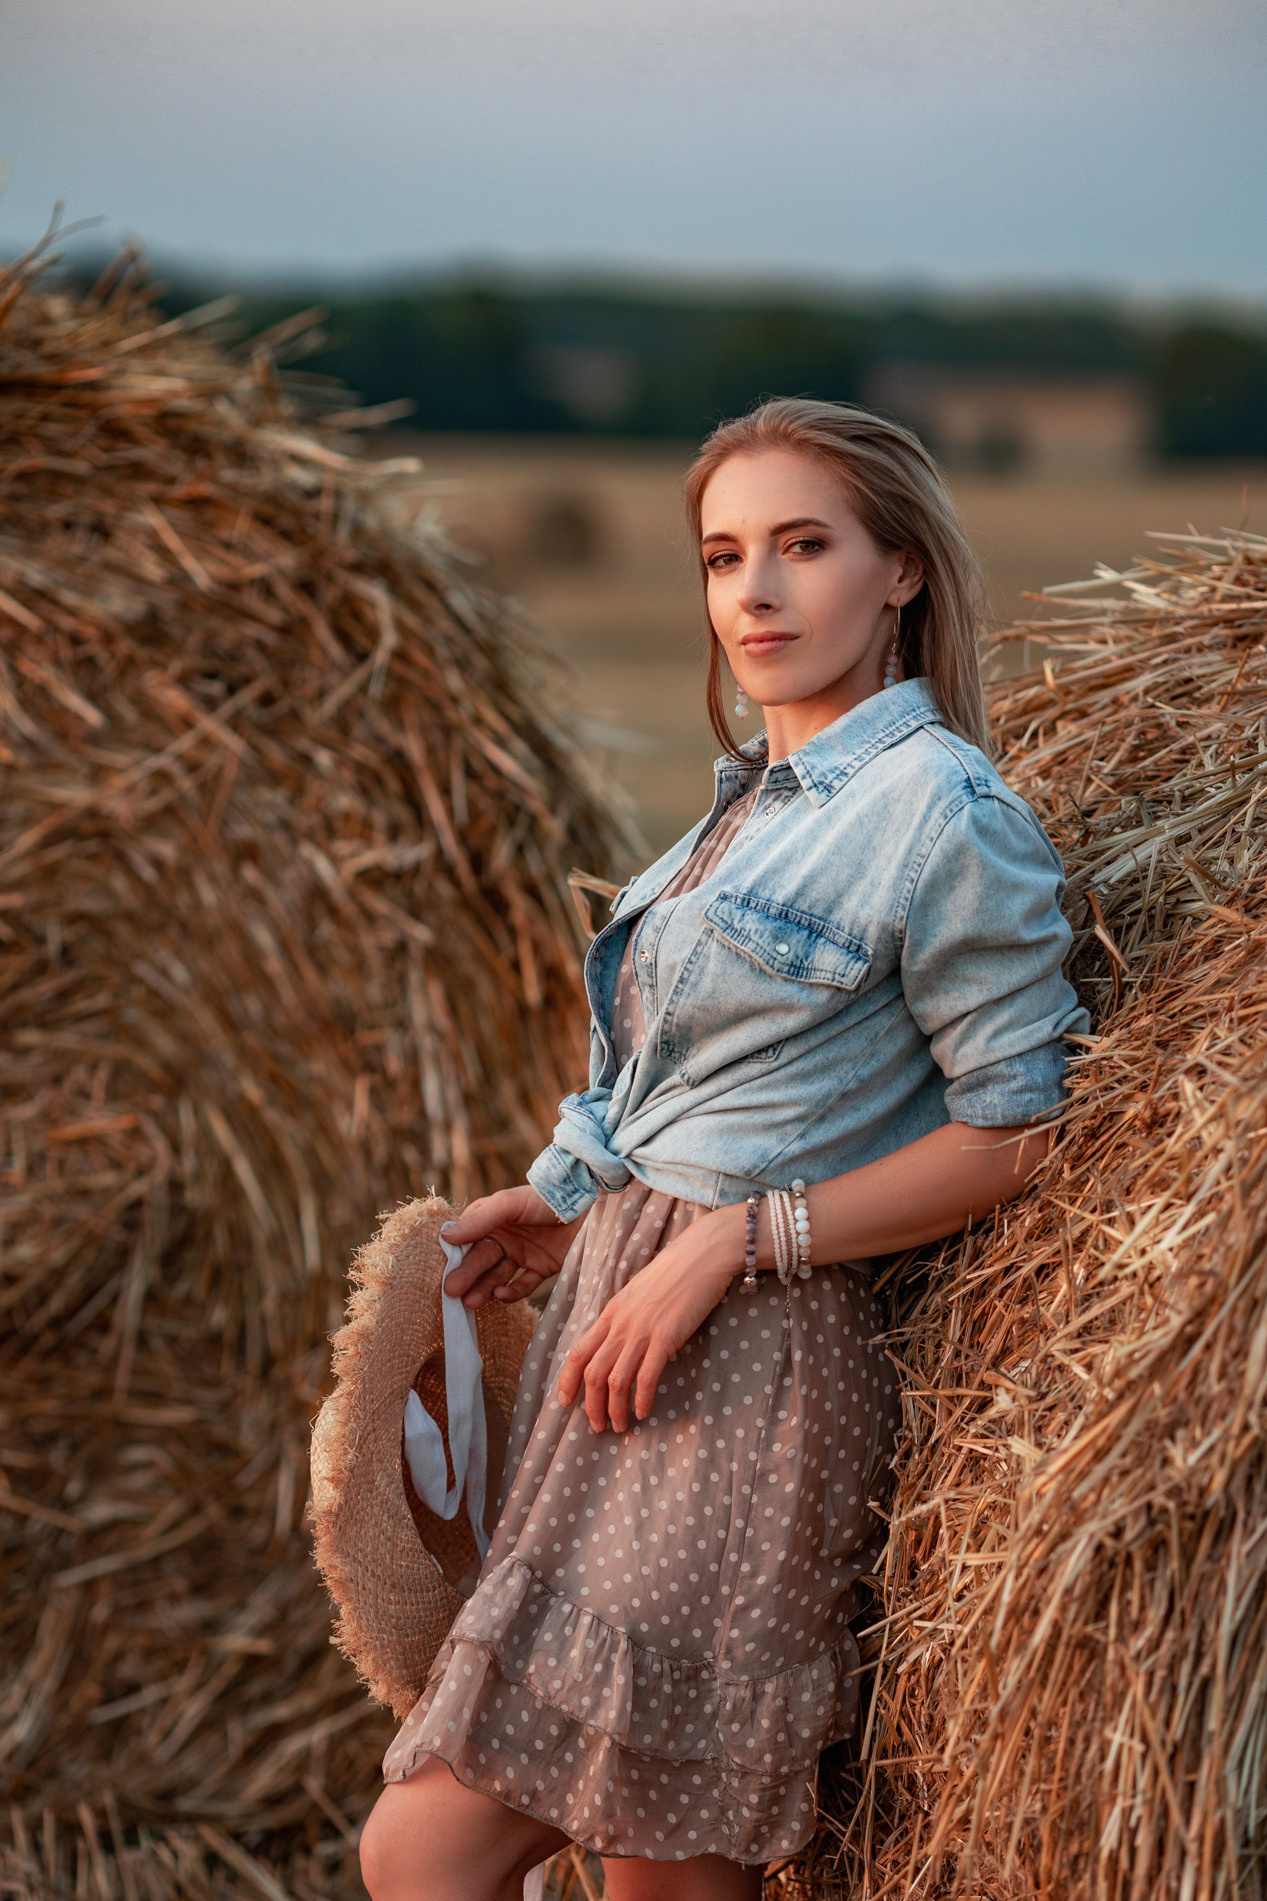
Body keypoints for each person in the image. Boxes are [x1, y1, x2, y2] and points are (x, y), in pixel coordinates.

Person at [359, 398, 1088, 1901]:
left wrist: (739, 1238)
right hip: (626, 1333)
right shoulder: (740, 810)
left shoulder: (942, 814)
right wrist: (571, 1198)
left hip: (750, 1375)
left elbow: (1020, 1129)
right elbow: (691, 1078)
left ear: (900, 571)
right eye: (722, 554)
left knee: (438, 1850)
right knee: (639, 1873)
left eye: (802, 546)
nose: (753, 591)